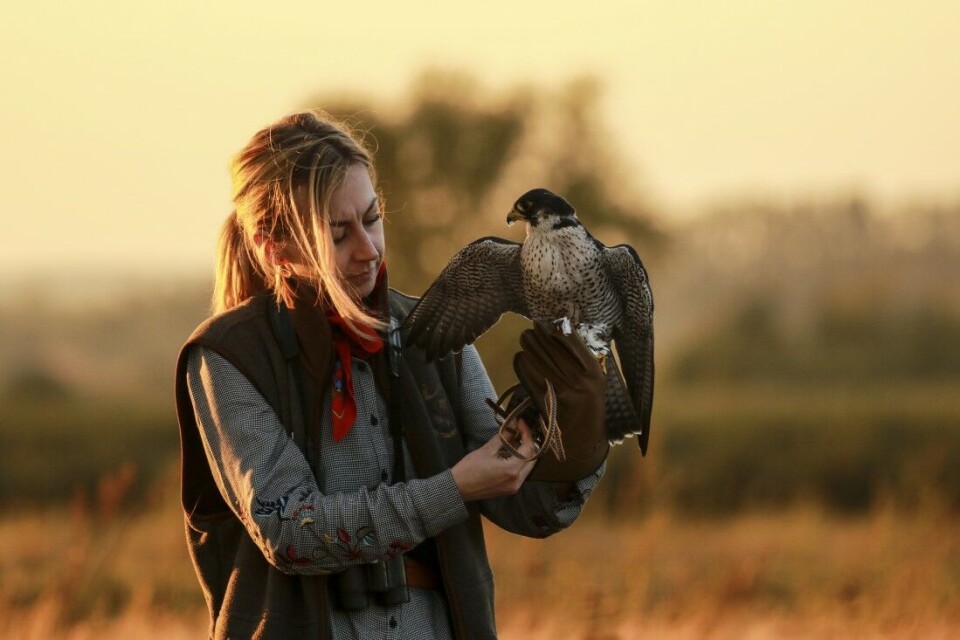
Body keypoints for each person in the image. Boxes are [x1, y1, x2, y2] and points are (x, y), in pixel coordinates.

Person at [174, 110, 609, 640]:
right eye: (338, 233)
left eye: (372, 218)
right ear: (275, 247)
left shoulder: (431, 333)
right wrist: (452, 489)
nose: (369, 248)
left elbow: (532, 510)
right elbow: (291, 531)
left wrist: (579, 425)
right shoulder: (228, 355)